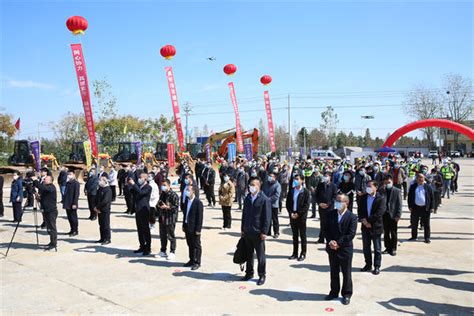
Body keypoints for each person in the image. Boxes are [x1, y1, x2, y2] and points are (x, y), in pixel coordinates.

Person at [323, 194, 357, 306]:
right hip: (332, 248)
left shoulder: (352, 217)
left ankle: (346, 294)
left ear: (346, 203)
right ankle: (334, 292)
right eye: (336, 200)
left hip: (345, 249)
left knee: (346, 272)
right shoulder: (330, 214)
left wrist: (338, 243)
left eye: (339, 201)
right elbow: (326, 230)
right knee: (334, 271)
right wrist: (330, 242)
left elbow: (351, 234)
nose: (336, 203)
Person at [241, 177, 271, 286]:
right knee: (249, 254)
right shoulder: (248, 198)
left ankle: (262, 275)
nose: (251, 187)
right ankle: (249, 273)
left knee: (260, 256)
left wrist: (264, 232)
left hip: (258, 233)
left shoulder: (264, 199)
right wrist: (242, 228)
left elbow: (267, 217)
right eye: (250, 185)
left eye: (253, 185)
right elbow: (244, 214)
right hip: (248, 231)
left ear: (258, 186)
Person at [358, 180, 385, 275]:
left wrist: (369, 221)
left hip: (376, 226)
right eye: (367, 186)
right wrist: (364, 221)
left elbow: (379, 213)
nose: (367, 188)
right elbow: (360, 210)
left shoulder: (380, 198)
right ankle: (368, 264)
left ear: (376, 187)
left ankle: (377, 266)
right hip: (365, 226)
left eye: (370, 186)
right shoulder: (364, 197)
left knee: (377, 248)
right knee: (366, 247)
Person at [286, 174, 310, 261]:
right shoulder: (291, 191)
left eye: (297, 179)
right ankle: (295, 253)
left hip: (301, 216)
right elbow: (288, 204)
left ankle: (303, 253)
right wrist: (291, 213)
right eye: (294, 179)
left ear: (302, 180)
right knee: (295, 235)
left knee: (303, 235)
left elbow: (306, 206)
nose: (295, 181)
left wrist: (298, 214)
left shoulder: (305, 192)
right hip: (293, 215)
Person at [129, 172, 152, 255]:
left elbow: (140, 193)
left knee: (145, 230)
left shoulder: (148, 187)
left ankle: (148, 248)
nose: (139, 178)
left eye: (141, 177)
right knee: (139, 229)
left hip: (144, 210)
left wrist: (134, 184)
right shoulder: (138, 186)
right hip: (137, 210)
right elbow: (132, 192)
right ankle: (142, 246)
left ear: (145, 179)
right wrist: (129, 184)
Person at [182, 184, 204, 270]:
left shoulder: (198, 202)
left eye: (188, 190)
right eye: (186, 190)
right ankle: (191, 259)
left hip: (195, 228)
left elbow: (200, 217)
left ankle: (197, 262)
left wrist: (198, 229)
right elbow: (185, 214)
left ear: (193, 191)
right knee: (190, 244)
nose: (187, 191)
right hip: (187, 226)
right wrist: (184, 224)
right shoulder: (187, 201)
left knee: (196, 245)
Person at [408, 172, 434, 244]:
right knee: (414, 223)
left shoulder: (428, 187)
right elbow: (409, 197)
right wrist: (410, 206)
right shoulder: (413, 186)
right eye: (419, 177)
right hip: (415, 207)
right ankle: (414, 236)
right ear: (416, 179)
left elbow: (432, 198)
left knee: (426, 224)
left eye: (422, 177)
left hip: (425, 208)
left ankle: (427, 238)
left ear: (424, 178)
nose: (420, 179)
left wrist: (432, 207)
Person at [33, 175, 58, 251]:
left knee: (52, 227)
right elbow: (42, 198)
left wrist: (35, 180)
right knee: (49, 228)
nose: (44, 180)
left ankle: (54, 243)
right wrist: (38, 197)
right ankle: (51, 241)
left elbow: (41, 187)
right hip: (46, 210)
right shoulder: (45, 188)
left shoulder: (51, 187)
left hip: (51, 211)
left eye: (45, 179)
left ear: (50, 180)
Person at [157, 179, 180, 260]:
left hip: (170, 218)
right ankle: (163, 250)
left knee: (171, 236)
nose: (163, 187)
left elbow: (176, 207)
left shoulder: (173, 195)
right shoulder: (162, 194)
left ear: (169, 186)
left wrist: (167, 207)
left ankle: (172, 251)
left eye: (165, 185)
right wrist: (160, 205)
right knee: (162, 235)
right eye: (162, 185)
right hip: (162, 218)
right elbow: (159, 202)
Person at [382, 175, 402, 256]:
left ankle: (393, 248)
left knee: (393, 232)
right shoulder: (382, 190)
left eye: (389, 182)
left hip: (393, 214)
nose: (388, 184)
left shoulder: (397, 191)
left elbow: (399, 204)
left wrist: (398, 215)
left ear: (392, 182)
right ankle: (387, 247)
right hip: (384, 214)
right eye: (386, 182)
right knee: (386, 232)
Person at [315, 172, 338, 244]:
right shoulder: (320, 185)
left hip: (330, 207)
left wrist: (328, 204)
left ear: (330, 177)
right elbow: (316, 195)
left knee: (330, 223)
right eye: (324, 176)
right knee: (322, 222)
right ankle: (321, 238)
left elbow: (335, 197)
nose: (325, 177)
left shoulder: (333, 186)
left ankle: (329, 239)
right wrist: (319, 203)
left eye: (326, 176)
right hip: (321, 207)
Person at [262, 172, 281, 238]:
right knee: (267, 218)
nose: (269, 177)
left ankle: (276, 232)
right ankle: (268, 231)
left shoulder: (277, 185)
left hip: (274, 205)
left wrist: (269, 200)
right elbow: (263, 191)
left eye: (271, 176)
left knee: (274, 219)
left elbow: (276, 195)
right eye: (269, 176)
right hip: (266, 204)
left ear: (274, 178)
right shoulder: (266, 183)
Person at [94, 176, 112, 245]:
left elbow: (105, 201)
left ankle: (107, 239)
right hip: (99, 209)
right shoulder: (100, 189)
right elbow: (96, 198)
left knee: (106, 224)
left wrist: (98, 207)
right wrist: (95, 207)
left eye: (101, 180)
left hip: (105, 210)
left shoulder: (108, 190)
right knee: (101, 224)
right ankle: (102, 238)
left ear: (105, 181)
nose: (99, 182)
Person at [62, 170, 80, 237]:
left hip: (72, 203)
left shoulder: (76, 183)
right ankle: (72, 229)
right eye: (68, 174)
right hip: (67, 202)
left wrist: (74, 203)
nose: (69, 175)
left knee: (73, 217)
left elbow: (76, 194)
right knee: (69, 217)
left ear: (74, 175)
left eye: (70, 174)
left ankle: (75, 230)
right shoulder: (68, 183)